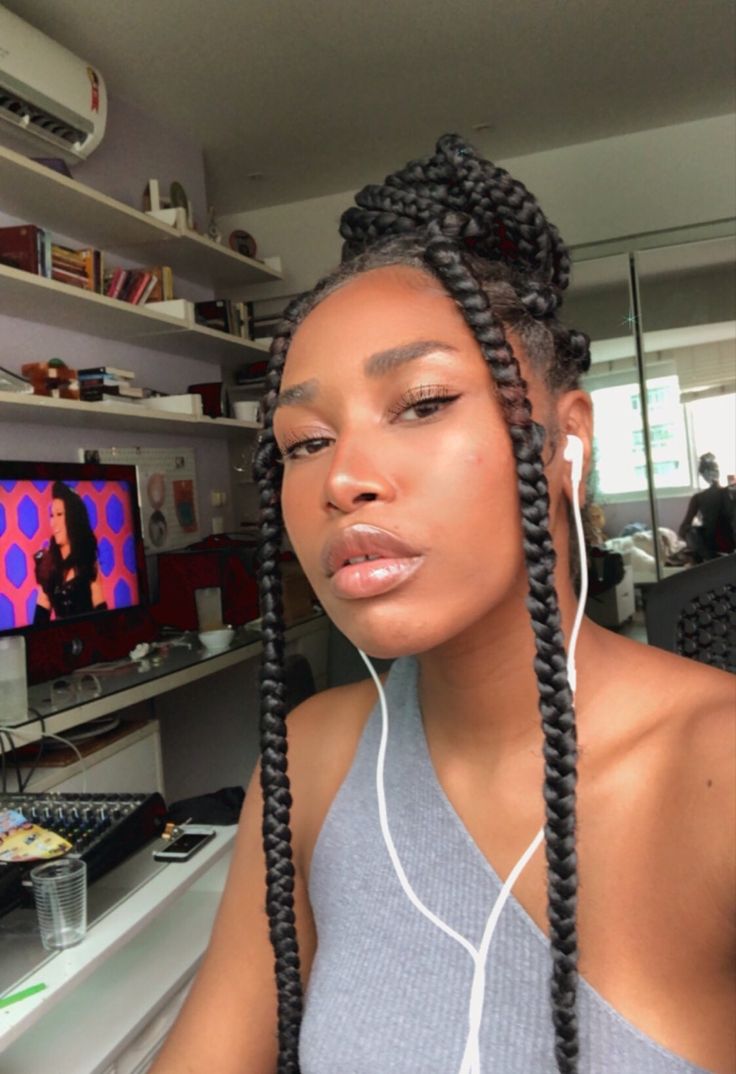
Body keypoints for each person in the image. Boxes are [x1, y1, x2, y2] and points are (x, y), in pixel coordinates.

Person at [150, 136, 734, 1074]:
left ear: (564, 442)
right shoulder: (309, 762)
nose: (344, 479)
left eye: (421, 402)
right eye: (303, 442)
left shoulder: (720, 774)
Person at [32, 480, 106, 623]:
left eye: (59, 514)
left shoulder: (88, 562)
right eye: (52, 515)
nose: (53, 523)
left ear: (73, 518)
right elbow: (39, 621)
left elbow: (101, 614)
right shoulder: (47, 565)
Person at [678, 452, 736, 563]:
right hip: (711, 548)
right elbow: (683, 529)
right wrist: (694, 533)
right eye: (710, 470)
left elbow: (682, 530)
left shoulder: (731, 492)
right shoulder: (698, 498)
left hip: (726, 545)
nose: (713, 473)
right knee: (690, 531)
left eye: (714, 469)